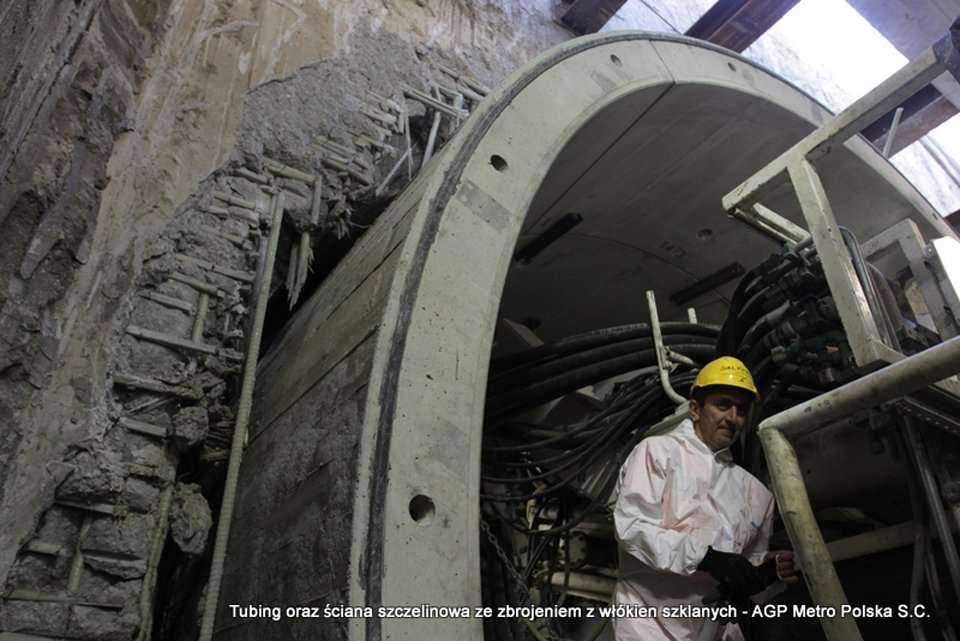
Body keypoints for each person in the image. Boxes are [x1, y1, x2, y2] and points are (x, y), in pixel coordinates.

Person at [613, 356, 799, 641]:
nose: (732, 417)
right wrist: (707, 558)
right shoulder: (658, 452)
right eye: (723, 405)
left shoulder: (757, 493)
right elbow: (632, 528)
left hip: (716, 629)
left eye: (741, 410)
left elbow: (748, 572)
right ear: (695, 409)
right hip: (647, 620)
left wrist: (767, 575)